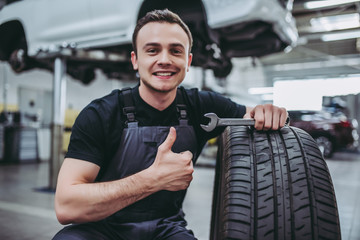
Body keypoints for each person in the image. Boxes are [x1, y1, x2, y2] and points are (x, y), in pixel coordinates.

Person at [53, 9, 288, 240]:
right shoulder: (100, 114)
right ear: (135, 60)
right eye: (152, 50)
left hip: (165, 228)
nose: (164, 60)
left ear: (188, 61)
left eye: (175, 51)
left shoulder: (201, 105)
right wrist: (152, 180)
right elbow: (66, 207)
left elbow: (253, 116)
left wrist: (266, 112)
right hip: (101, 228)